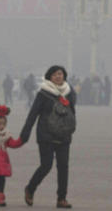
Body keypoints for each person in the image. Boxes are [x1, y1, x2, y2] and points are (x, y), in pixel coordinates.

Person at [20, 65, 76, 209]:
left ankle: (61, 198)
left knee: (63, 167)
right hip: (46, 134)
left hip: (63, 135)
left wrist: (70, 128)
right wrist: (25, 133)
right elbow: (33, 114)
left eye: (61, 74)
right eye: (55, 74)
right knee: (46, 165)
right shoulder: (43, 94)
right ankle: (30, 188)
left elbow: (72, 113)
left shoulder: (69, 92)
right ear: (49, 77)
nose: (58, 76)